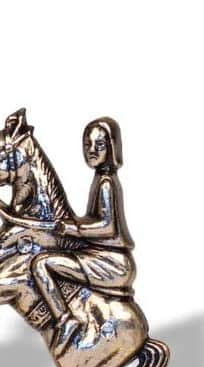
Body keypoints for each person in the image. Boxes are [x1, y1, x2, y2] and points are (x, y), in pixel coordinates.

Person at [32, 118, 136, 354]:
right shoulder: (100, 179)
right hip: (101, 256)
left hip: (110, 262)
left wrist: (71, 228)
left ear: (111, 148)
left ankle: (65, 320)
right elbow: (93, 219)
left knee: (41, 264)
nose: (92, 151)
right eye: (87, 145)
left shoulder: (107, 182)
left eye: (99, 145)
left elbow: (108, 227)